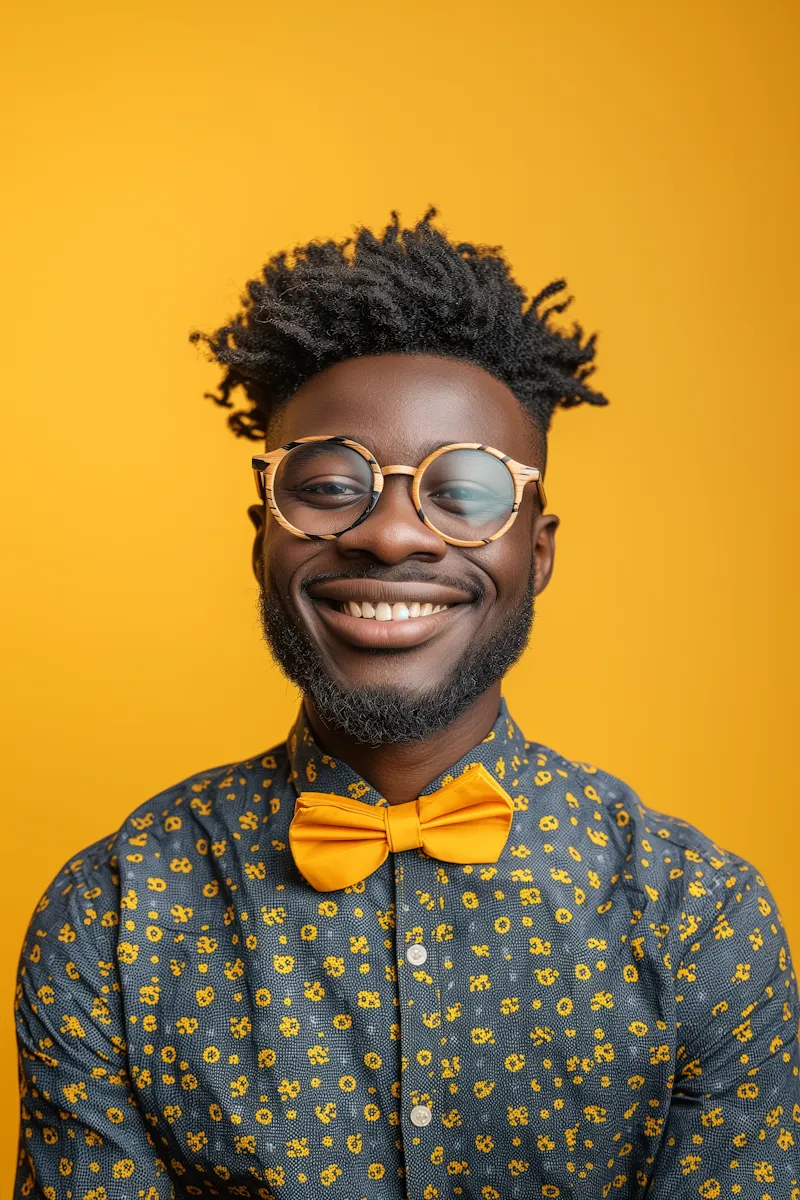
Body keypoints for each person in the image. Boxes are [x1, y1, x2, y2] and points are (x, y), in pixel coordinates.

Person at [15, 210, 798, 1199]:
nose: (389, 535)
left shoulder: (701, 921)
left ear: (536, 553)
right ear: (262, 541)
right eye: (330, 485)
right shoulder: (110, 919)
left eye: (463, 493)